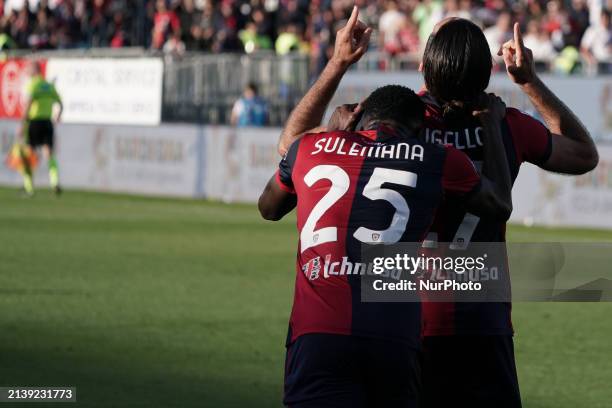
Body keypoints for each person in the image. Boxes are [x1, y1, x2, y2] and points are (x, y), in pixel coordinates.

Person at [277, 16, 598, 408]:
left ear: (423, 65)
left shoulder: (393, 124)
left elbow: (293, 148)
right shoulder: (505, 125)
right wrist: (528, 80)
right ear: (488, 71)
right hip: (482, 321)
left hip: (404, 318)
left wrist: (338, 62)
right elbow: (583, 154)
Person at [262, 7, 512, 408]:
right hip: (397, 336)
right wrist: (493, 125)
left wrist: (338, 65)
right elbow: (502, 202)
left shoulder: (312, 149)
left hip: (318, 334)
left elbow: (272, 196)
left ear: (360, 116)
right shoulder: (435, 157)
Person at [19, 60, 63, 196]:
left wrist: (22, 125)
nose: (26, 71)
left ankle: (29, 188)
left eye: (28, 69)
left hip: (34, 122)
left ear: (34, 70)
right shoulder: (49, 86)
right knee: (48, 153)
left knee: (28, 154)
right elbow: (60, 103)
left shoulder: (34, 85)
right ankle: (54, 182)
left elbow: (27, 106)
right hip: (47, 122)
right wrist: (57, 116)